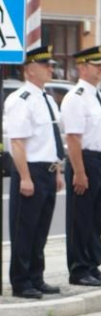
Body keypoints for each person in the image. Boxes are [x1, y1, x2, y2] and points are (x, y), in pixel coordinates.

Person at [4, 45, 64, 299]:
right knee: (24, 228)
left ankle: (36, 277)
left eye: (51, 65)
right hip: (31, 170)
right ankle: (21, 280)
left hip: (48, 169)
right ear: (29, 70)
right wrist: (25, 177)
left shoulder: (47, 98)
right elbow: (17, 142)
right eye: (45, 65)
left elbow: (52, 138)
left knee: (40, 228)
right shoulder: (20, 100)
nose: (51, 68)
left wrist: (58, 171)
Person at [60, 45, 101, 287]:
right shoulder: (75, 98)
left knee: (96, 217)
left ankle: (93, 265)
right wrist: (80, 172)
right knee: (80, 218)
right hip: (86, 160)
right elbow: (73, 138)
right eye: (97, 66)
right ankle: (78, 269)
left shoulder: (97, 95)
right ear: (83, 68)